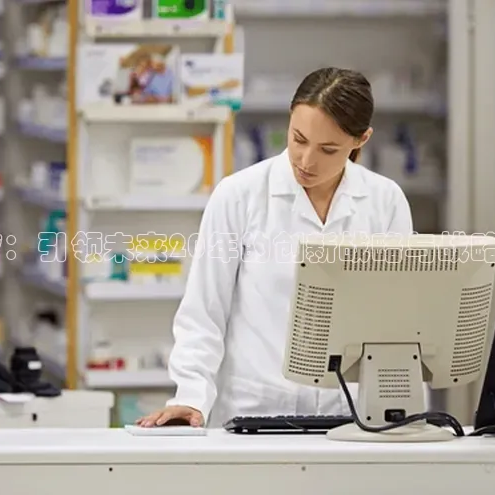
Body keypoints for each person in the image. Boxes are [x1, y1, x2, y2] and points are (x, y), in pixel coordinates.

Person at [137, 67, 413, 428]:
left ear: (361, 140)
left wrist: (402, 410)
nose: (306, 161)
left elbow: (398, 320)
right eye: (299, 139)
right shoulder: (239, 195)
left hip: (350, 415)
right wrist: (191, 396)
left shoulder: (385, 201)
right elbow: (204, 311)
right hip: (255, 410)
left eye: (328, 149)